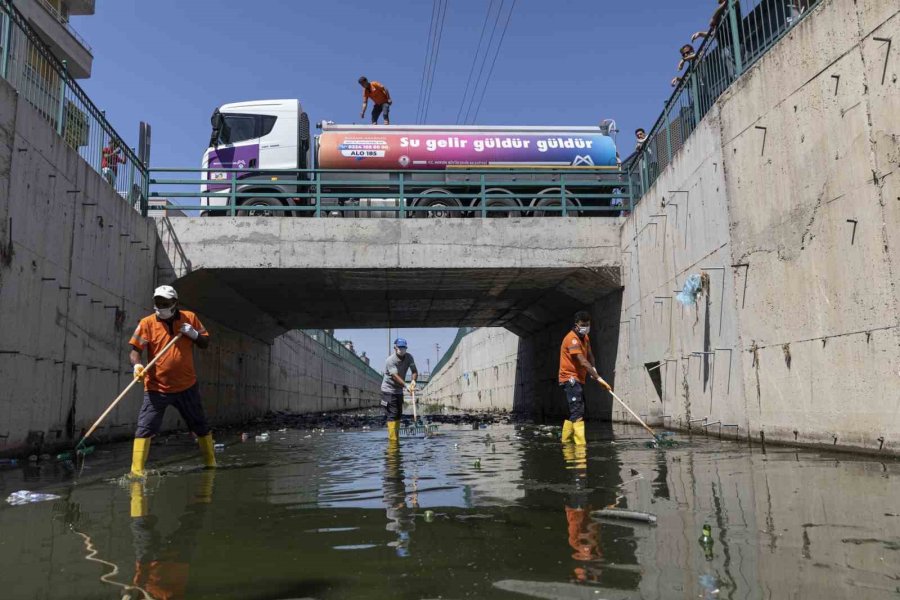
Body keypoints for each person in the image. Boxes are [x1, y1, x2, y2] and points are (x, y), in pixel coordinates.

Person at [128, 285, 215, 478]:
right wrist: (137, 366)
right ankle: (136, 471)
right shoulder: (147, 323)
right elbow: (135, 352)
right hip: (156, 388)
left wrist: (194, 334)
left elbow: (205, 343)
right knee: (144, 428)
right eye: (157, 302)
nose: (160, 306)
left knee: (200, 425)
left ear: (175, 303)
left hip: (186, 386)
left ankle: (210, 463)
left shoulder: (189, 318)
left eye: (165, 303)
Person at [558, 311, 610, 445]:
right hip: (570, 378)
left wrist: (594, 369)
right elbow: (582, 361)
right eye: (583, 325)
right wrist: (598, 378)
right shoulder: (572, 339)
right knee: (578, 411)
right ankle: (580, 446)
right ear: (576, 325)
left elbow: (590, 355)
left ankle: (566, 441)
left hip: (579, 378)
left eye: (588, 324)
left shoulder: (585, 337)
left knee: (578, 409)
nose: (586, 327)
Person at [382, 337, 417, 441]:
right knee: (392, 414)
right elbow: (395, 376)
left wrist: (413, 381)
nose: (402, 350)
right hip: (388, 390)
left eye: (404, 348)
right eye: (400, 348)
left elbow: (414, 371)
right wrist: (406, 385)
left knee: (398, 413)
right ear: (395, 348)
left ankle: (396, 437)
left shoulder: (409, 357)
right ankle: (393, 441)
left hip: (398, 390)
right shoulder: (390, 360)